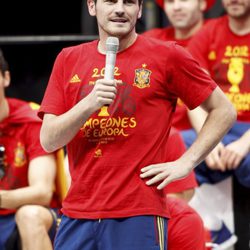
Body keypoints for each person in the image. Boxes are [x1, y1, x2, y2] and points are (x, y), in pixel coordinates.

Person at [38, 0, 236, 249]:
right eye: (110, 1)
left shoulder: (167, 55)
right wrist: (89, 104)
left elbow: (224, 110)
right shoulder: (68, 59)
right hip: (77, 212)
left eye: (129, 2)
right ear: (91, 6)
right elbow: (48, 140)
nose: (120, 9)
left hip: (139, 213)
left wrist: (186, 162)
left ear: (140, 10)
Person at [181, 0, 250, 248]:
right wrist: (209, 139)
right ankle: (210, 231)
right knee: (177, 146)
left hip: (248, 133)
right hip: (219, 125)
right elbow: (193, 96)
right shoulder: (208, 33)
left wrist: (244, 143)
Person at [0, 48, 59, 250]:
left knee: (30, 214)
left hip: (27, 216)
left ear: (6, 78)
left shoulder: (30, 120)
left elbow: (42, 193)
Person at [143, 0, 215, 131]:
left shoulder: (217, 35)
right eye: (170, 1)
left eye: (184, 0)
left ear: (202, 3)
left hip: (202, 132)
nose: (176, 7)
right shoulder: (151, 39)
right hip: (155, 133)